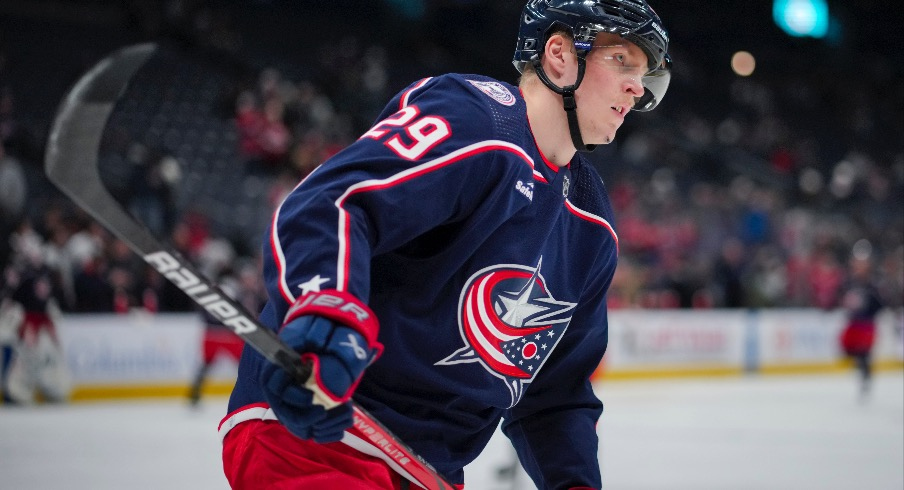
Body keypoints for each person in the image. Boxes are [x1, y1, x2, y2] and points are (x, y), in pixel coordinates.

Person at [221, 1, 671, 488]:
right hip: (319, 434)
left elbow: (556, 396)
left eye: (646, 75)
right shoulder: (478, 120)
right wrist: (325, 311)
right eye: (622, 60)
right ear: (559, 54)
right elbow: (333, 204)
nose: (636, 86)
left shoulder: (592, 221)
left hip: (428, 472)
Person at [838, 251, 884, 400]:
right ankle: (863, 371)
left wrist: (870, 309)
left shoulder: (872, 284)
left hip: (866, 323)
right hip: (853, 322)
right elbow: (841, 297)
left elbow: (880, 304)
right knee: (849, 349)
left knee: (864, 351)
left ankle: (866, 376)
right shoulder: (850, 282)